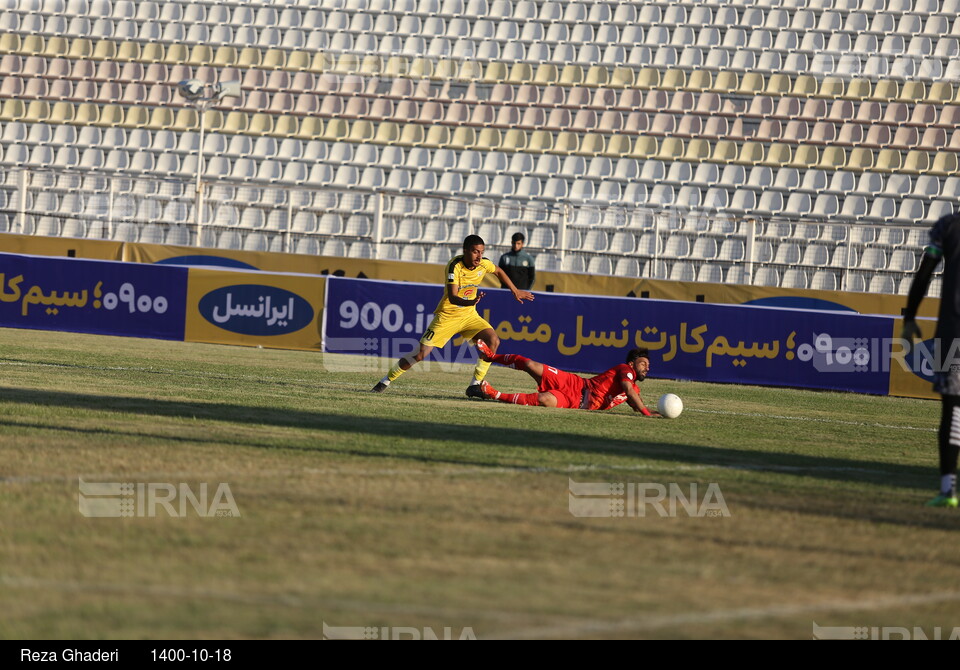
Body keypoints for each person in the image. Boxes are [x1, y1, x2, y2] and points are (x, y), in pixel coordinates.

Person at [371, 234, 535, 397]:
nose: (479, 256)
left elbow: (498, 271)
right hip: (448, 315)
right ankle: (385, 381)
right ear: (465, 251)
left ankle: (475, 385)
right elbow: (453, 296)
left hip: (469, 315)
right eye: (475, 251)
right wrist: (470, 302)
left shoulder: (484, 264)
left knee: (493, 340)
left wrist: (515, 291)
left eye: (481, 252)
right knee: (420, 354)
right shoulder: (454, 266)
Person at [902, 211, 960, 507]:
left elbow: (925, 272)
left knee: (954, 410)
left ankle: (948, 489)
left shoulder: (949, 226)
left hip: (953, 333)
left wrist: (910, 316)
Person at [475, 341, 660, 416]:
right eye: (643, 364)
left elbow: (636, 403)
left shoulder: (634, 390)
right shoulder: (625, 371)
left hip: (577, 403)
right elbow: (628, 390)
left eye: (648, 366)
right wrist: (647, 412)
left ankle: (495, 394)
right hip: (576, 383)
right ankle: (492, 356)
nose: (647, 368)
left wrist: (654, 412)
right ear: (631, 364)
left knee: (544, 400)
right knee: (531, 365)